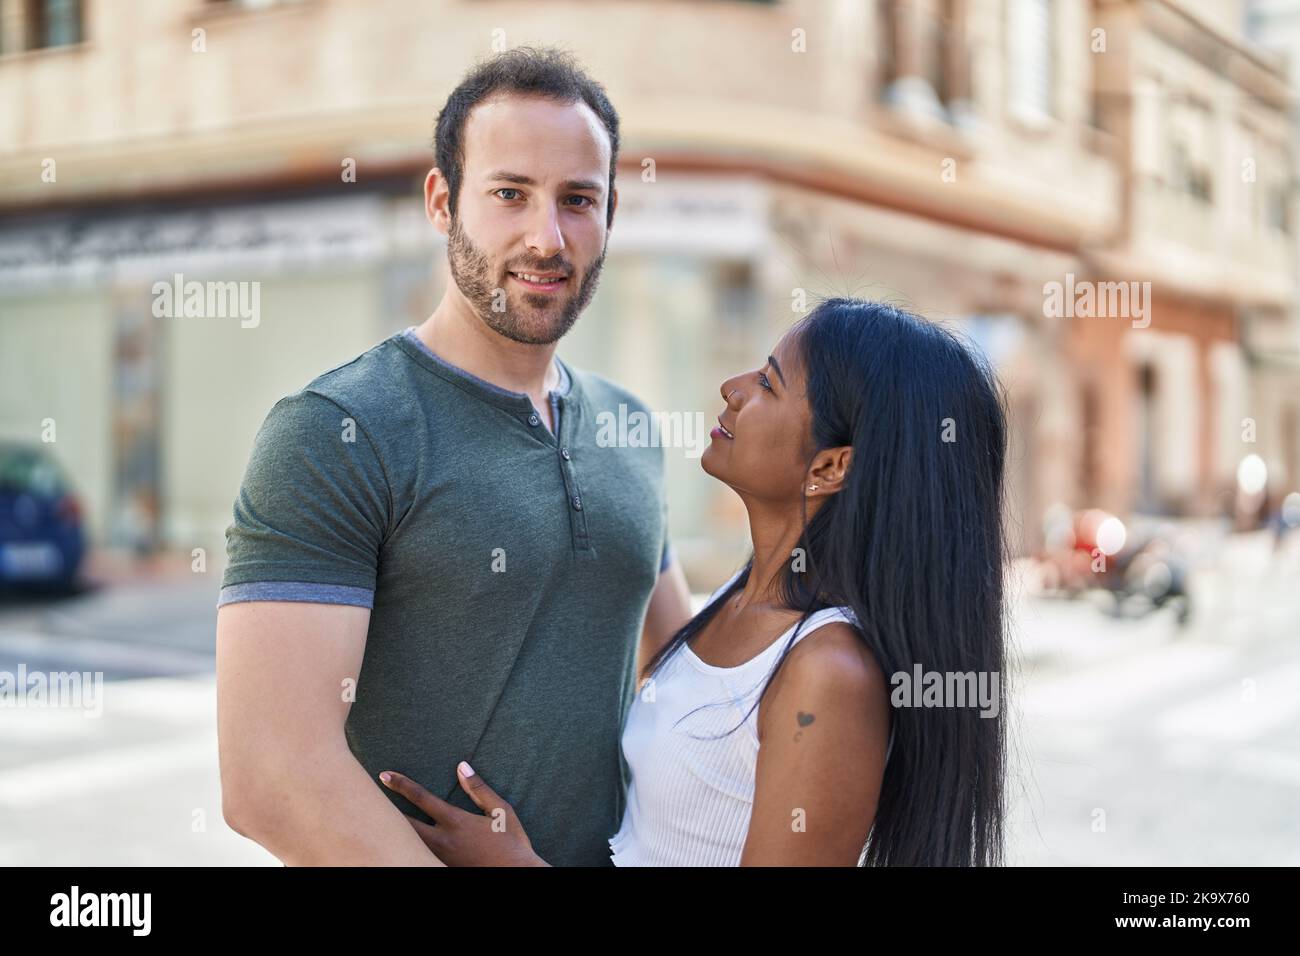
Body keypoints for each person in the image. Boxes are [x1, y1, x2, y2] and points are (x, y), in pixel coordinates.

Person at [215, 46, 693, 866]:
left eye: (578, 200)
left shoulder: (629, 425)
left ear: (611, 213)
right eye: (510, 193)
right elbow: (270, 778)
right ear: (442, 202)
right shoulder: (337, 430)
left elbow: (682, 674)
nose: (547, 237)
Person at [381, 297, 1013, 866]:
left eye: (768, 382)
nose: (732, 388)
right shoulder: (734, 605)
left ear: (831, 464)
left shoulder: (829, 672)